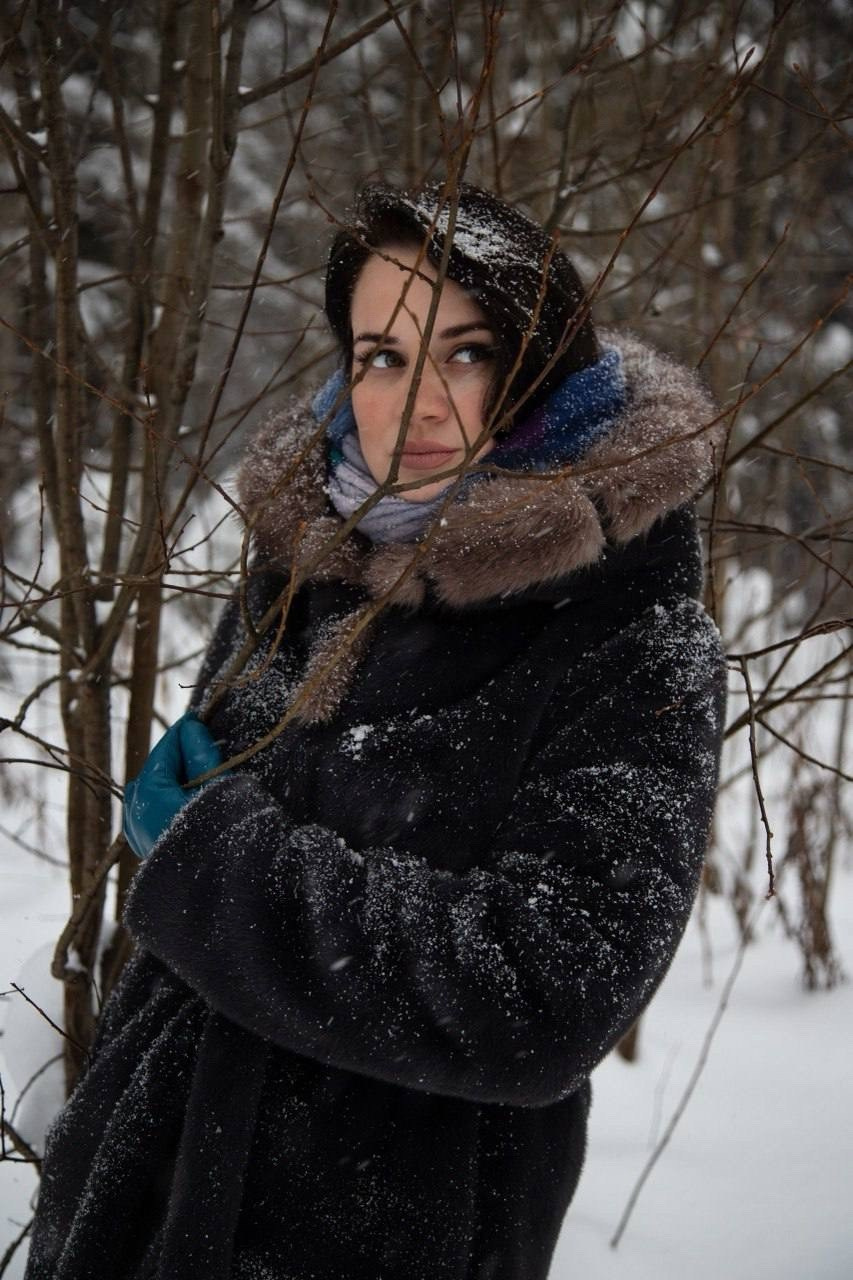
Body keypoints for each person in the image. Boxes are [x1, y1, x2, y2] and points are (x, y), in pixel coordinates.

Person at [25, 181, 727, 1280]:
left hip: (392, 1226)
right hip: (146, 1200)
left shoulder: (631, 639)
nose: (419, 402)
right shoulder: (306, 563)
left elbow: (546, 991)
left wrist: (212, 861)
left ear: (544, 359)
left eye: (467, 350)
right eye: (382, 357)